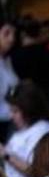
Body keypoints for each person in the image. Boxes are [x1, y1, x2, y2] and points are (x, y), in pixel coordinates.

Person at [0, 82, 49, 177]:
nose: (12, 116)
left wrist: (6, 155)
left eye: (15, 111)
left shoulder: (43, 130)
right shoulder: (20, 130)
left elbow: (34, 171)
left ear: (29, 109)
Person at [0, 11, 18, 142]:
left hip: (10, 121)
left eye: (13, 34)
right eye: (6, 34)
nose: (12, 38)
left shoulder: (7, 60)